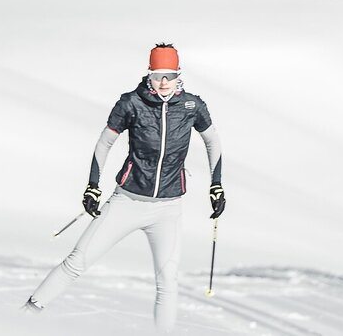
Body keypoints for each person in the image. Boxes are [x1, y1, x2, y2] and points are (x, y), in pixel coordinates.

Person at [24, 43, 226, 331]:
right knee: (77, 261)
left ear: (179, 75)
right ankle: (25, 315)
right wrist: (93, 185)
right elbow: (105, 142)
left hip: (168, 208)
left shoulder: (192, 106)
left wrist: (216, 185)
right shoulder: (131, 103)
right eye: (158, 75)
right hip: (128, 201)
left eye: (169, 75)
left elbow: (213, 141)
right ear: (149, 75)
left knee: (168, 280)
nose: (164, 82)